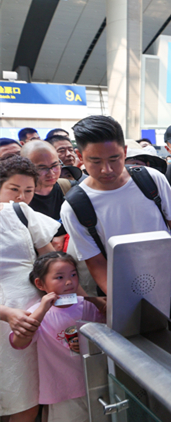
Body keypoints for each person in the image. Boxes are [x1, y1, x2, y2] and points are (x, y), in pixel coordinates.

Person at [60, 115, 171, 344]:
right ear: (80, 157)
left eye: (114, 159)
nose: (107, 169)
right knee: (144, 361)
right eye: (95, 161)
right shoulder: (75, 206)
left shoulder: (151, 180)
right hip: (129, 304)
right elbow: (96, 262)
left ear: (125, 151)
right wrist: (120, 302)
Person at [10, 252, 105, 422]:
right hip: (62, 391)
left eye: (73, 275)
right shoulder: (37, 312)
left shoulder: (87, 305)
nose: (69, 282)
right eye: (59, 277)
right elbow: (18, 342)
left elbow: (107, 332)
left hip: (96, 384)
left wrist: (96, 302)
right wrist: (42, 309)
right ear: (40, 284)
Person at [0, 155, 59, 422]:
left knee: (28, 396)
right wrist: (6, 314)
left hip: (31, 313)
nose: (20, 197)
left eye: (28, 190)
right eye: (13, 189)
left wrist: (85, 299)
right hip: (9, 314)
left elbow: (51, 264)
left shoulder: (22, 213)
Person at [21, 141, 71, 249]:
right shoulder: (18, 200)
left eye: (55, 165)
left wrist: (66, 237)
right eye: (42, 168)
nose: (51, 173)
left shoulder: (70, 188)